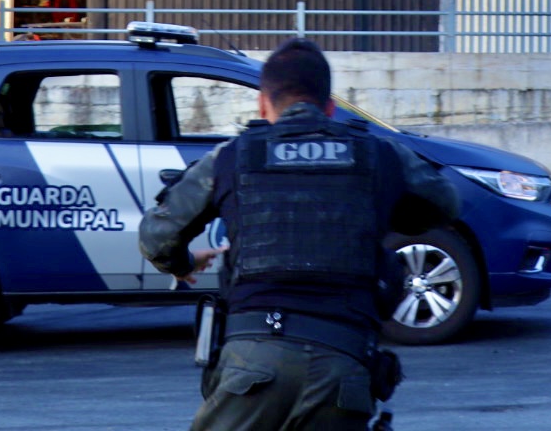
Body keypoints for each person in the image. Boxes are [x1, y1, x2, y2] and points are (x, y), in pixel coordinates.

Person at [139, 38, 459, 431]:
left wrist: (183, 263)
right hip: (343, 363)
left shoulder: (230, 157)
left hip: (251, 365)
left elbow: (157, 236)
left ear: (262, 104)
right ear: (329, 107)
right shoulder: (381, 154)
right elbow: (446, 205)